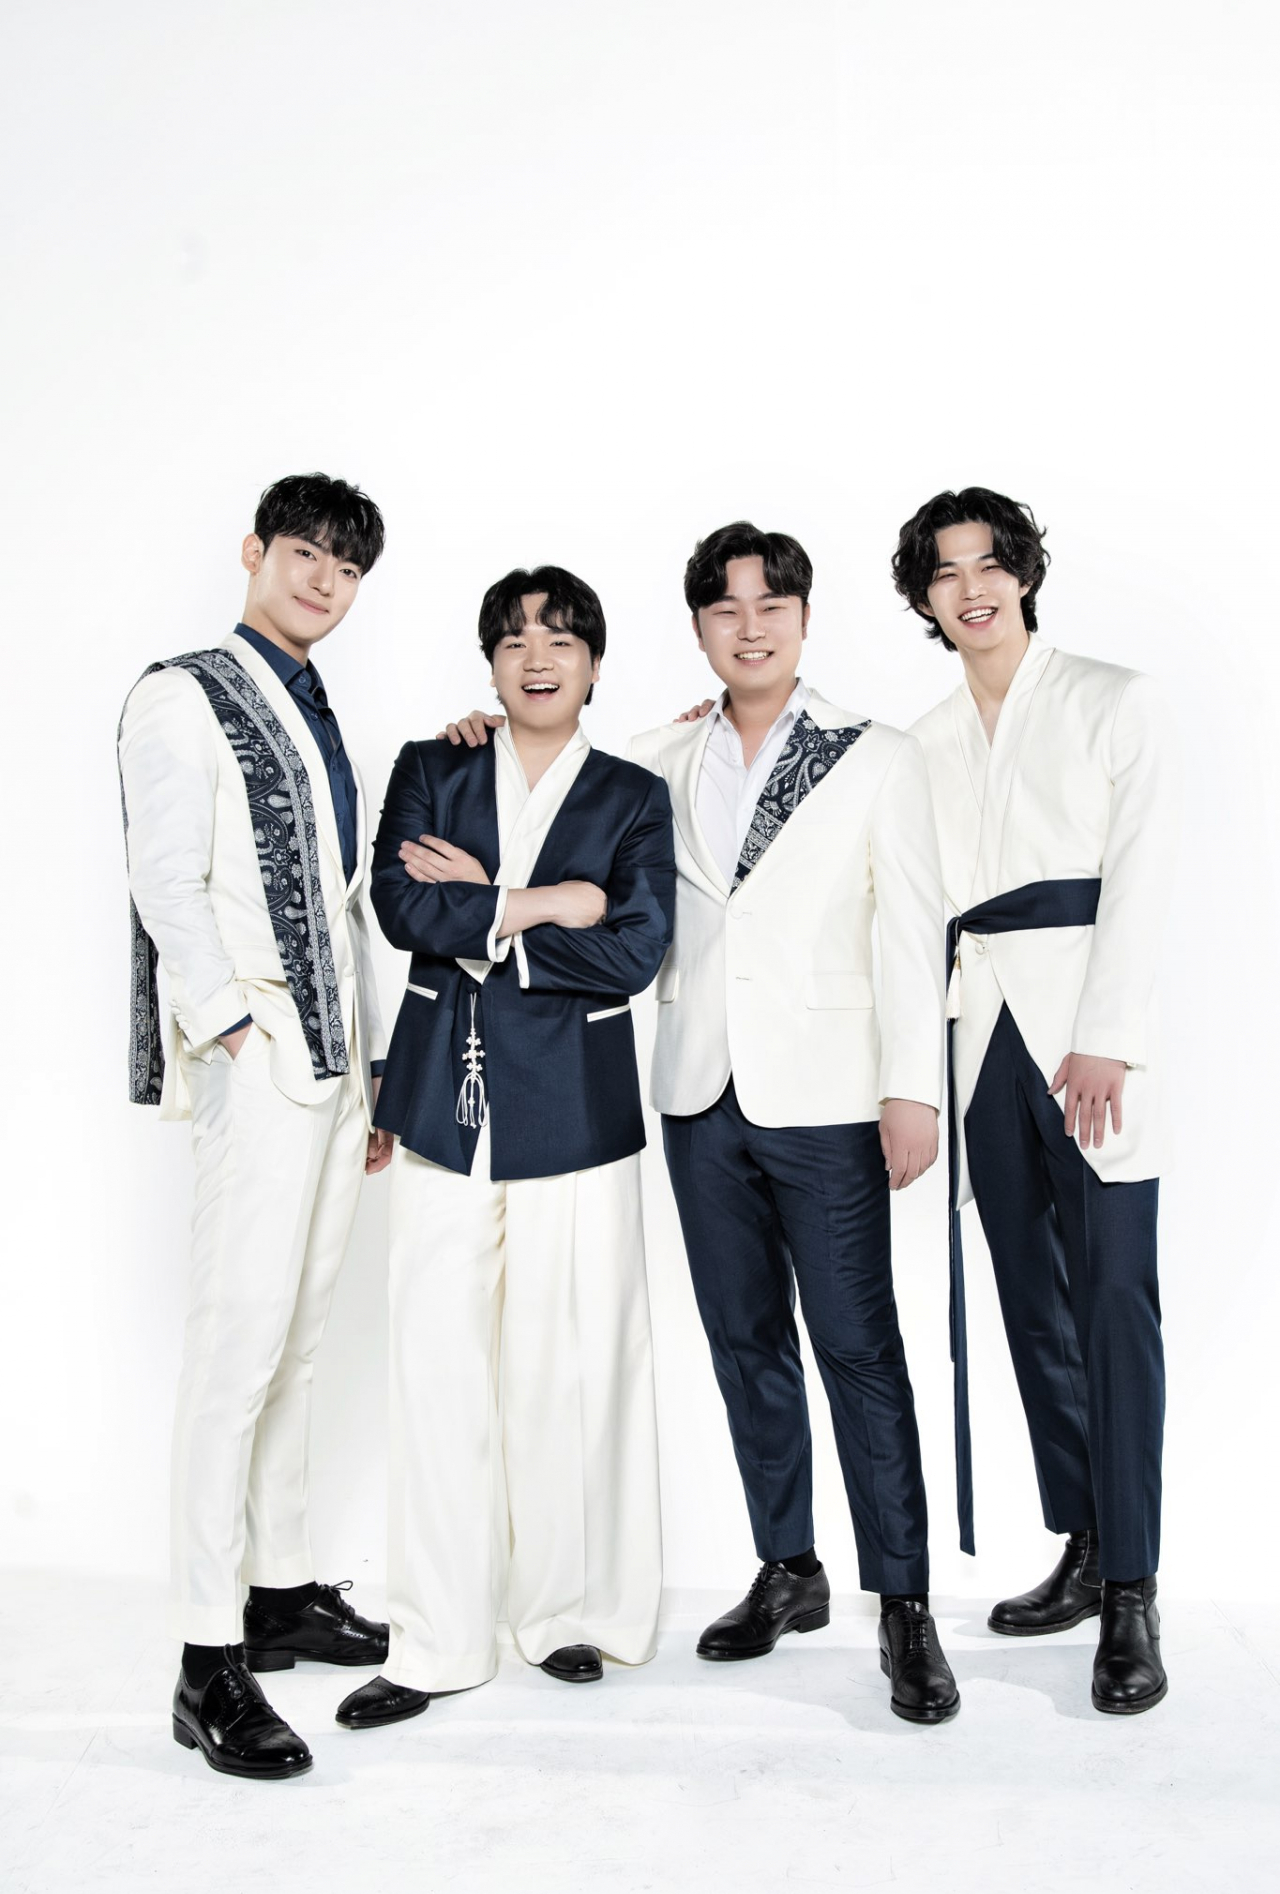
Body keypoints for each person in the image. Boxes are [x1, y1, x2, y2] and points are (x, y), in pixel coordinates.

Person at [442, 524, 959, 1725]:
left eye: (771, 604)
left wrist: (912, 1087)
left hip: (830, 1096)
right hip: (693, 1089)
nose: (749, 626)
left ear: (803, 617)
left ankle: (905, 1604)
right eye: (724, 609)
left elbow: (907, 927)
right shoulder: (656, 757)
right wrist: (481, 734)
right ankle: (787, 1568)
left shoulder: (874, 756)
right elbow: (554, 786)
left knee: (857, 1348)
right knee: (743, 1343)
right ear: (697, 629)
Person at [334, 565, 674, 1732]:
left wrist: (488, 900)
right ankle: (434, 1638)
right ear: (489, 662)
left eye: (561, 638)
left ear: (593, 663)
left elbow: (635, 950)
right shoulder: (431, 767)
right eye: (515, 639)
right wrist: (552, 899)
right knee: (434, 1374)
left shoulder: (630, 795)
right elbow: (401, 910)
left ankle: (564, 1614)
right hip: (442, 1099)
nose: (536, 657)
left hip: (576, 1110)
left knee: (570, 1369)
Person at [118, 473, 392, 1780]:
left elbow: (340, 898)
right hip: (263, 1058)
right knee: (234, 1352)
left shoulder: (313, 701)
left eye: (346, 567)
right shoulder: (183, 694)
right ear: (254, 553)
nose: (323, 582)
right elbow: (164, 882)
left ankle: (278, 1592)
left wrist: (370, 1065)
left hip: (334, 1070)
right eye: (304, 555)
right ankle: (203, 1657)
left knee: (298, 1341)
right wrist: (235, 1031)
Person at [894, 486, 1178, 1714]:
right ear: (923, 598)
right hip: (981, 1045)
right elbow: (907, 907)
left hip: (1087, 1042)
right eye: (944, 573)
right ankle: (1084, 1543)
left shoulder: (1114, 698)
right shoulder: (918, 741)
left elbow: (1144, 875)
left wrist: (1106, 1036)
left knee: (1113, 1304)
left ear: (1020, 572)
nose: (970, 589)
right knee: (1032, 1308)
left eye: (987, 564)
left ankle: (1134, 1593)